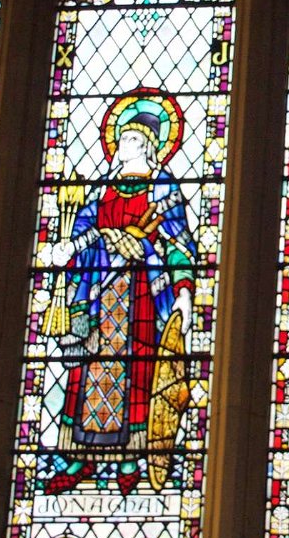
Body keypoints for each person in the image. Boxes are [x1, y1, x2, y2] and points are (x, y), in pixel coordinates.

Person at [44, 93, 195, 497]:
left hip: (140, 294)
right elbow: (83, 230)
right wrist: (72, 247)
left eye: (132, 140)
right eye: (122, 139)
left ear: (149, 146)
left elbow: (179, 244)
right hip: (99, 292)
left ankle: (131, 457)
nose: (123, 146)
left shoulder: (164, 189)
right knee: (87, 369)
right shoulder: (102, 189)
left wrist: (183, 290)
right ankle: (79, 456)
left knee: (139, 369)